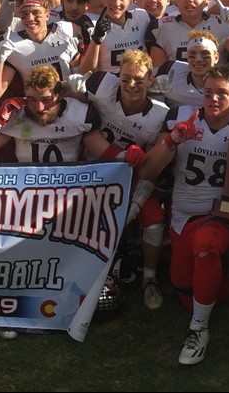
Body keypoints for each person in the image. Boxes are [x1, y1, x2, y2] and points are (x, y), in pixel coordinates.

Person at [138, 64, 229, 365]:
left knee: (206, 247)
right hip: (182, 216)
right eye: (209, 93)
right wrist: (173, 141)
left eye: (222, 93)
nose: (214, 99)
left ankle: (199, 329)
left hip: (221, 216)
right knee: (188, 296)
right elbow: (149, 170)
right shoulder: (182, 119)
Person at [71, 49, 171, 308]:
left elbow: (153, 166)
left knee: (154, 221)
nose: (131, 85)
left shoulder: (161, 114)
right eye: (125, 78)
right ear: (117, 76)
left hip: (131, 175)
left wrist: (138, 167)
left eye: (139, 79)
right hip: (94, 168)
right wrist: (70, 87)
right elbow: (84, 129)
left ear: (150, 79)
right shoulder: (102, 84)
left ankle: (149, 277)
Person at [0, 0, 80, 102]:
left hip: (69, 103)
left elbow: (82, 80)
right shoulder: (13, 43)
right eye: (24, 15)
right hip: (36, 109)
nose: (30, 18)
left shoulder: (66, 32)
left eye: (36, 13)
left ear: (47, 15)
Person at [152, 29, 229, 113]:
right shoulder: (170, 71)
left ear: (216, 57)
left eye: (205, 55)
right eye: (192, 55)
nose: (198, 60)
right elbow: (152, 100)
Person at [79, 0, 154, 75]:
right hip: (108, 86)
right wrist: (96, 40)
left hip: (139, 82)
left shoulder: (142, 17)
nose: (116, 3)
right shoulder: (92, 24)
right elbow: (85, 73)